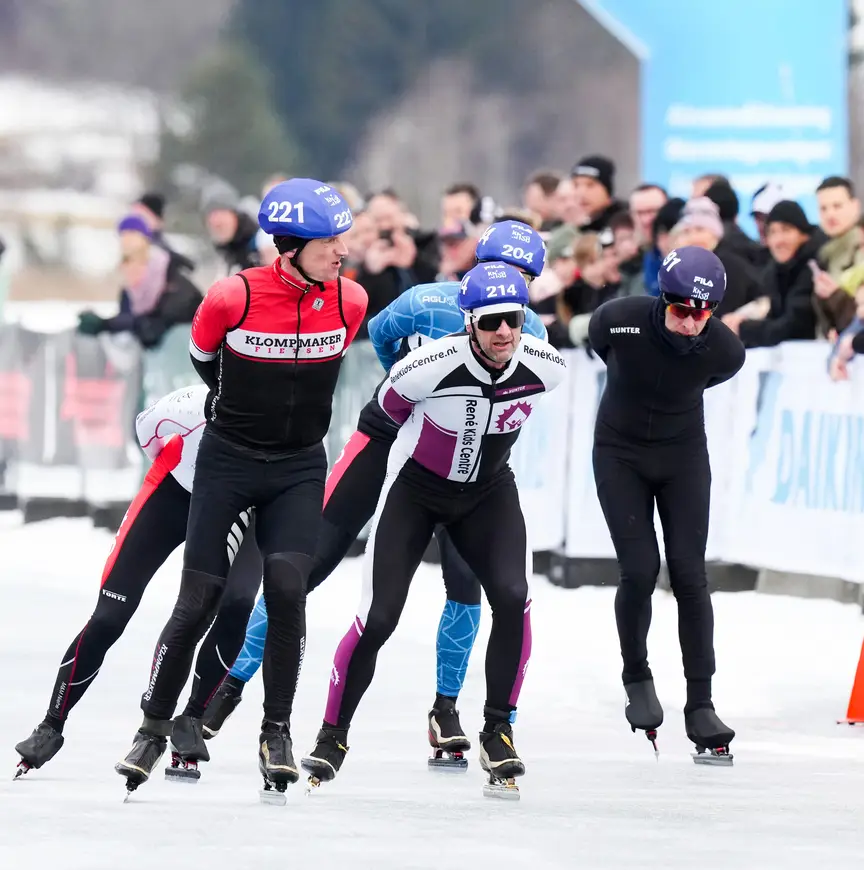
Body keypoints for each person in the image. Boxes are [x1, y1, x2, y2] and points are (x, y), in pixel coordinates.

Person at [202, 221, 549, 770]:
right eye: (499, 273)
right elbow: (382, 340)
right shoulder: (421, 301)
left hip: (463, 465)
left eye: (525, 281)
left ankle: (447, 709)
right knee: (308, 566)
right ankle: (229, 683)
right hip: (388, 442)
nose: (511, 288)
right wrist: (414, 391)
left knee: (469, 585)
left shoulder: (528, 335)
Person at [115, 179, 368, 797]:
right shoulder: (232, 295)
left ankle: (275, 730)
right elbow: (205, 360)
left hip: (298, 466)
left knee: (287, 591)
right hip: (229, 461)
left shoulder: (351, 299)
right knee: (197, 599)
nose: (342, 251)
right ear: (293, 244)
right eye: (330, 240)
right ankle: (152, 728)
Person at [298, 260, 566, 799]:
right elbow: (374, 429)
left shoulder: (546, 366)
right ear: (469, 322)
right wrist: (344, 501)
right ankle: (333, 735)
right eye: (491, 322)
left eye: (513, 320)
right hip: (417, 492)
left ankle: (498, 730)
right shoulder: (427, 365)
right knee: (378, 618)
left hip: (488, 494)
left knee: (513, 596)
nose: (504, 333)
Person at [14, 386, 261, 780]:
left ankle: (191, 720)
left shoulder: (278, 417)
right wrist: (173, 465)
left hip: (237, 507)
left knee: (235, 606)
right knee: (110, 615)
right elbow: (146, 430)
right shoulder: (192, 404)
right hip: (174, 493)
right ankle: (50, 724)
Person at [587, 245, 745, 765]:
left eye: (702, 313)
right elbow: (597, 344)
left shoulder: (725, 351)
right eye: (680, 309)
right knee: (638, 569)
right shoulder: (619, 320)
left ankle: (701, 703)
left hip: (681, 457)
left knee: (690, 576)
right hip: (620, 454)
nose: (690, 322)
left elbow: (712, 375)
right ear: (662, 299)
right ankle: (638, 676)